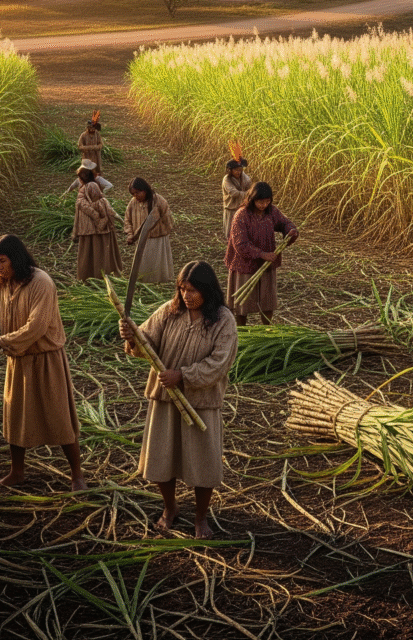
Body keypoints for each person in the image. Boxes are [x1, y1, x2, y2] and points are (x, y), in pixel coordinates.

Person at [0, 234, 86, 491]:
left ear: (16, 259)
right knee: (16, 416)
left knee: (59, 416)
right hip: (18, 360)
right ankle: (17, 472)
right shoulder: (1, 284)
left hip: (46, 360)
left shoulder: (41, 283)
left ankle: (77, 475)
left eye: (2, 261)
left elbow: (37, 326)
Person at [118, 260, 237, 539]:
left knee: (203, 461)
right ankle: (170, 507)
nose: (186, 295)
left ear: (207, 290)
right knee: (162, 457)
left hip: (200, 402)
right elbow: (146, 341)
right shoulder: (169, 312)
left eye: (192, 290)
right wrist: (132, 338)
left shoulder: (223, 320)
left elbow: (219, 363)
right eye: (182, 289)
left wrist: (183, 375)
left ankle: (200, 517)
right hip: (165, 398)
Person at [224, 181, 298, 326]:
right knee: (242, 304)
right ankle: (242, 331)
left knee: (267, 301)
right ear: (252, 199)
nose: (264, 205)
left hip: (266, 264)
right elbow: (240, 244)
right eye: (260, 202)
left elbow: (285, 223)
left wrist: (290, 231)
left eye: (267, 201)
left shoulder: (271, 211)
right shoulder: (241, 215)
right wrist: (262, 254)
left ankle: (267, 330)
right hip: (244, 264)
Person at [73, 165, 123, 281]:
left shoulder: (86, 187)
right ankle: (100, 275)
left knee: (90, 251)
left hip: (88, 226)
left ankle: (89, 276)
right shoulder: (92, 185)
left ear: (81, 178)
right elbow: (101, 203)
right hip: (95, 227)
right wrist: (112, 216)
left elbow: (91, 204)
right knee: (99, 250)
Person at [124, 176, 175, 284]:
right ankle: (146, 283)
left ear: (145, 190)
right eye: (133, 194)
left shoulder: (159, 201)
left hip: (158, 239)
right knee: (144, 265)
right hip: (142, 240)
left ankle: (159, 283)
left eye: (137, 192)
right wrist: (130, 234)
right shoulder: (133, 203)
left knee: (157, 265)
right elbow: (127, 219)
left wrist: (163, 231)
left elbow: (168, 219)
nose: (135, 196)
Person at [221, 157, 251, 240]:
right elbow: (234, 193)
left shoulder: (245, 178)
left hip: (242, 208)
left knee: (242, 232)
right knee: (230, 232)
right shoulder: (226, 180)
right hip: (231, 208)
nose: (238, 172)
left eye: (240, 170)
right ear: (230, 170)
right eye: (236, 170)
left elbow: (250, 188)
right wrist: (248, 194)